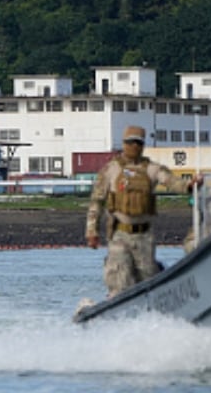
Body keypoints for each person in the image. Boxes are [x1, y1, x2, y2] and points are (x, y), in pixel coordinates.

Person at [85, 125, 199, 297]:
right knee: (119, 281)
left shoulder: (152, 169)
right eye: (130, 142)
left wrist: (190, 185)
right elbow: (96, 201)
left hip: (144, 236)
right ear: (124, 143)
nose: (134, 146)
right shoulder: (111, 169)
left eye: (138, 143)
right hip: (118, 235)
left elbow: (173, 182)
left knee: (147, 281)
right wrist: (91, 230)